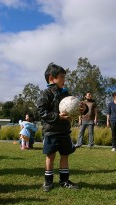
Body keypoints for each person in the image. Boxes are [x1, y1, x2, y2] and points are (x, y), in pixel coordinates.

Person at [37, 63, 87, 192]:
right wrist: (57, 117)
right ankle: (48, 181)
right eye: (61, 77)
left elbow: (76, 108)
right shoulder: (47, 93)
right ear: (51, 79)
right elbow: (41, 111)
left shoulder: (67, 95)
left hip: (64, 131)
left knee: (65, 155)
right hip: (51, 131)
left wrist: (83, 108)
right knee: (51, 156)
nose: (64, 80)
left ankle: (64, 181)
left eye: (65, 77)